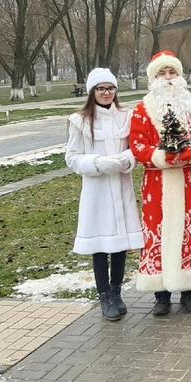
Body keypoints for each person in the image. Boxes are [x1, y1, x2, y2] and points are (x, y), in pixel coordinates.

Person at [130, 51, 191, 316]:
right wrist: (162, 156)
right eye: (162, 73)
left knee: (188, 231)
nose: (168, 79)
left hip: (187, 183)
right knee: (159, 231)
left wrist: (190, 151)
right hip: (157, 184)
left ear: (180, 76)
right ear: (154, 78)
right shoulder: (143, 110)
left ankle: (190, 290)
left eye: (172, 73)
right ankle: (161, 295)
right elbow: (137, 145)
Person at [65, 68, 144, 321]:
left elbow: (137, 148)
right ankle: (104, 296)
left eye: (110, 88)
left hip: (121, 186)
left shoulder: (126, 117)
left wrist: (126, 160)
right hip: (97, 190)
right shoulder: (80, 120)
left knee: (119, 244)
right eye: (101, 89)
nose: (106, 93)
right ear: (93, 92)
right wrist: (98, 163)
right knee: (100, 245)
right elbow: (72, 157)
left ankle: (117, 291)